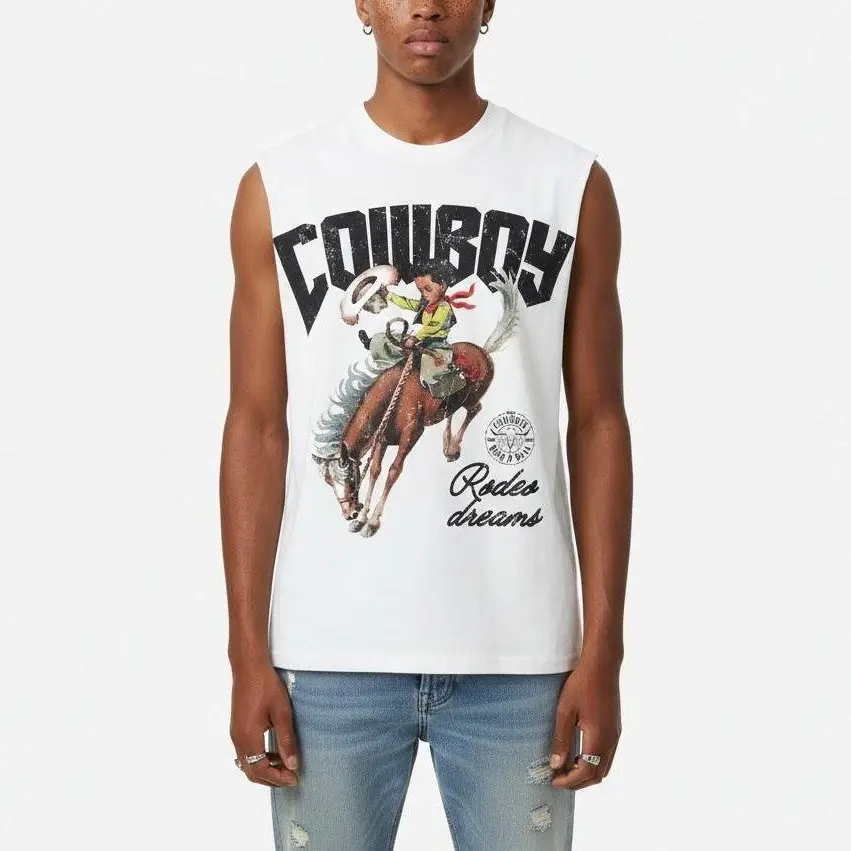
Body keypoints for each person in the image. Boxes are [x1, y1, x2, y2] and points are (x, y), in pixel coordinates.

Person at [220, 1, 631, 849]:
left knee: (438, 379)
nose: (427, 6)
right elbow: (256, 424)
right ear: (361, 6)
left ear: (488, 6)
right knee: (375, 392)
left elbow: (597, 422)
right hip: (328, 657)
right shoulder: (280, 186)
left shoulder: (569, 183)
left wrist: (604, 651)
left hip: (519, 661)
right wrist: (245, 653)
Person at [358, 257, 475, 398]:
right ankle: (370, 343)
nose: (424, 294)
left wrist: (415, 337)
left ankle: (446, 390)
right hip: (421, 340)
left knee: (429, 370)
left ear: (443, 286)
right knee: (393, 338)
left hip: (436, 344)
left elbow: (433, 326)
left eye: (428, 289)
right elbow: (408, 303)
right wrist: (389, 295)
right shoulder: (426, 303)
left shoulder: (443, 307)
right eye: (420, 290)